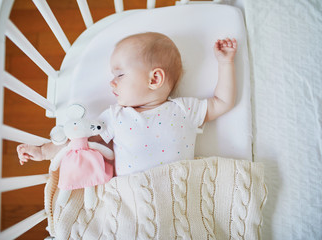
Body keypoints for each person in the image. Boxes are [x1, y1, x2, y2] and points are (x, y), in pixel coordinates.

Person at [17, 32, 237, 176]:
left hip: (177, 193)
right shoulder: (114, 117)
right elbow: (79, 138)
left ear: (154, 79)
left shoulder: (184, 110)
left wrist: (225, 63)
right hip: (132, 197)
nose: (111, 82)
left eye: (120, 74)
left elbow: (223, 102)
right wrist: (44, 151)